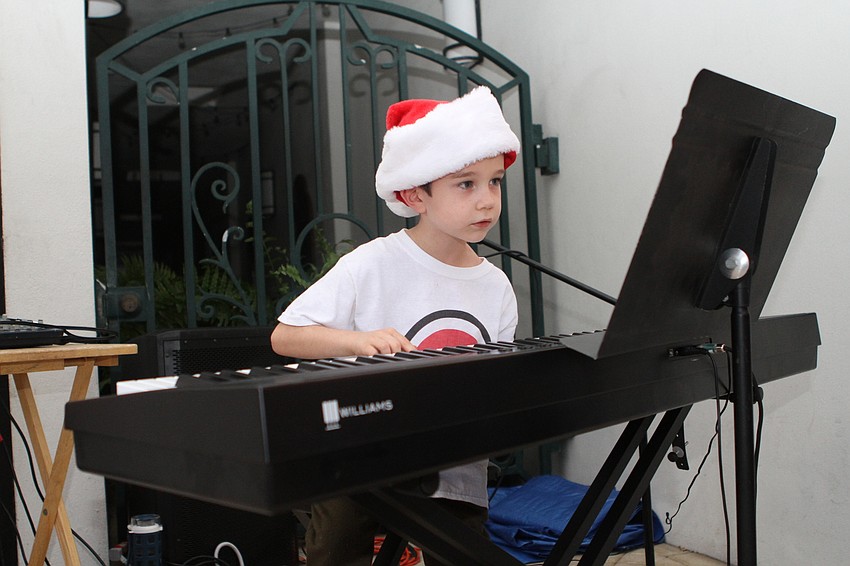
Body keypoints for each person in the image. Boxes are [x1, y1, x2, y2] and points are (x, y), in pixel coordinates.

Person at [271, 85, 521, 566]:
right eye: (466, 184)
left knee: (462, 550)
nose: (487, 200)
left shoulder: (497, 287)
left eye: (494, 182)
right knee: (337, 547)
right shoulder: (374, 263)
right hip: (360, 457)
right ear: (414, 194)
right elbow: (285, 336)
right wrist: (356, 341)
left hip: (454, 464)